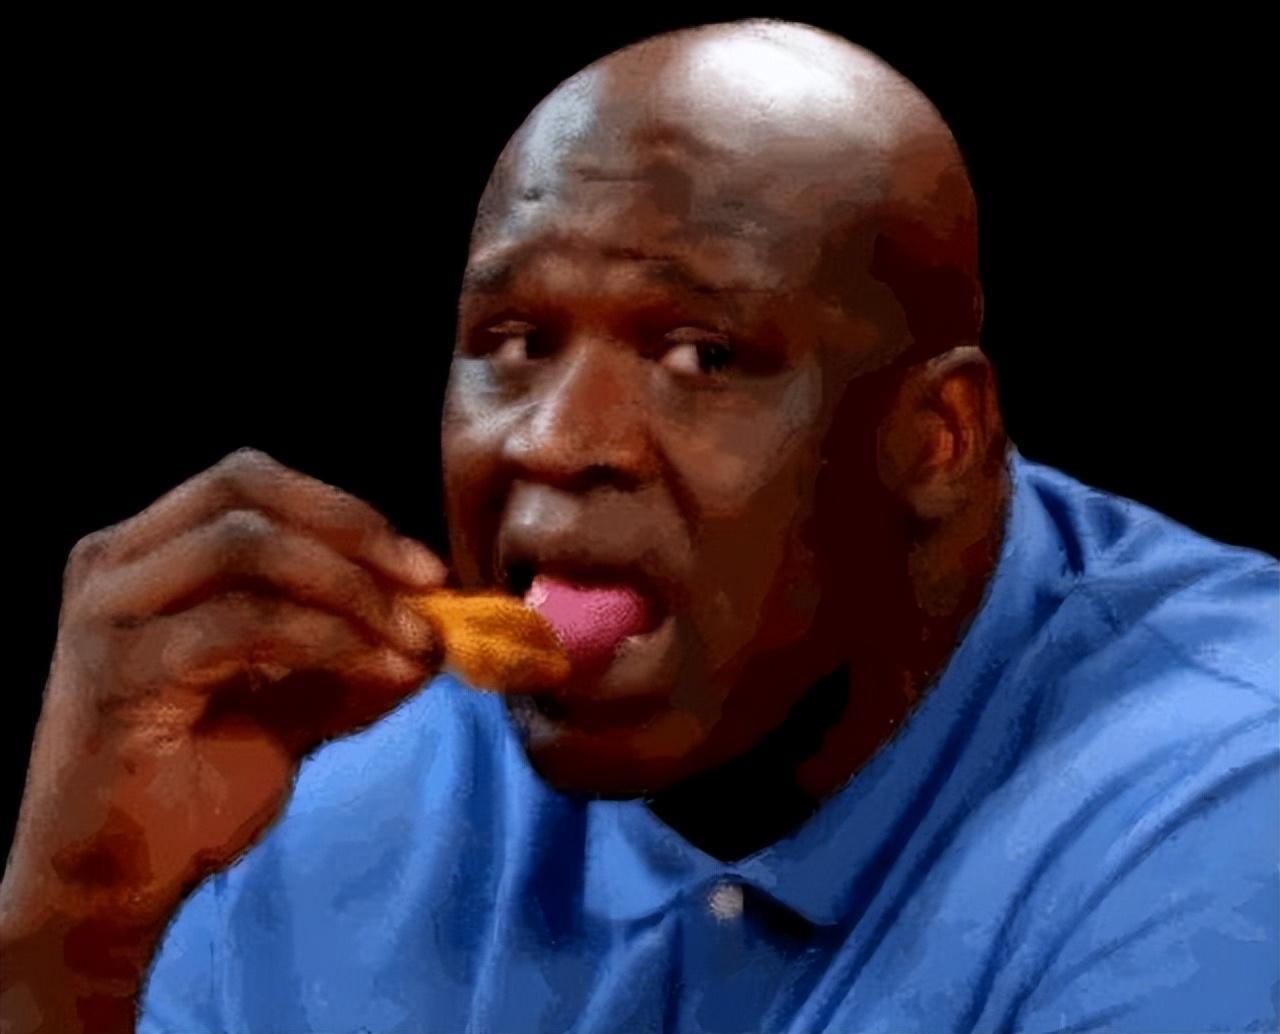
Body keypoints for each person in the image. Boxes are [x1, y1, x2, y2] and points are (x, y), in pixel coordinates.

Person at [2, 19, 1276, 1034]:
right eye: (513, 342)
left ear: (934, 438)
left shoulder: (1221, 794)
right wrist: (78, 936)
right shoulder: (310, 790)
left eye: (698, 354)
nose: (555, 439)